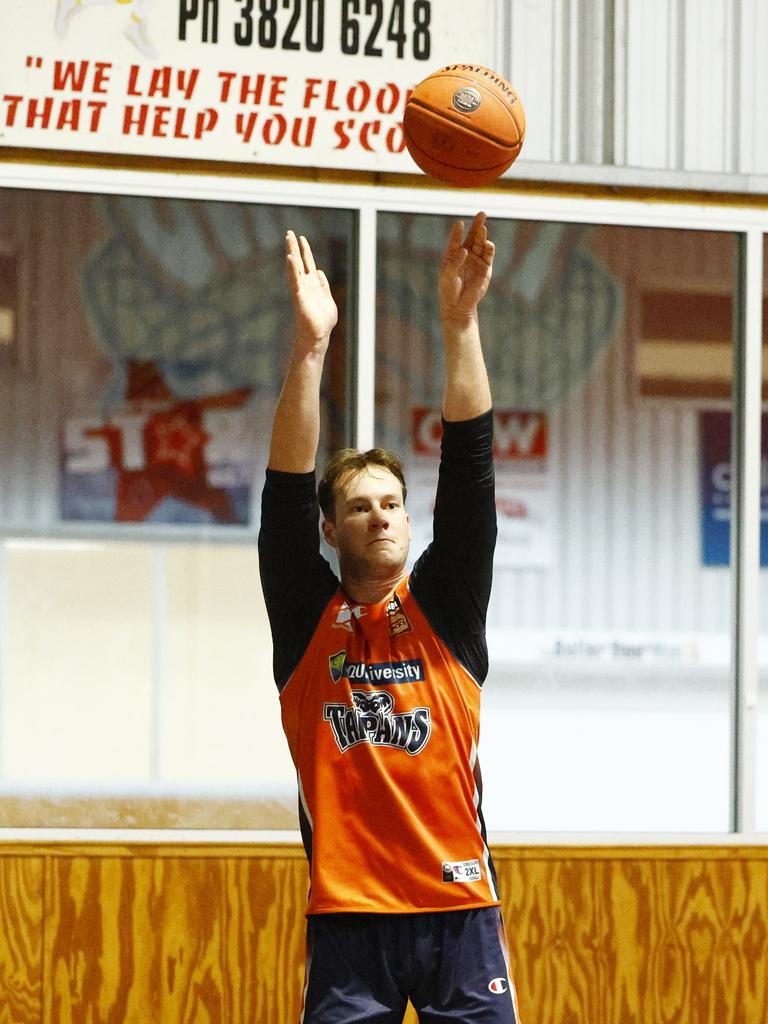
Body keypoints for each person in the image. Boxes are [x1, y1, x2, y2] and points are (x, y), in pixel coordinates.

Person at [259, 212, 519, 1022]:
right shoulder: (309, 618)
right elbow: (283, 494)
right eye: (361, 507)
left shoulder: (445, 607)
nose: (382, 516)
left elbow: (470, 470)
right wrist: (309, 351)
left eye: (395, 503)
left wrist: (459, 322)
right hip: (348, 919)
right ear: (330, 531)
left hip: (458, 909)